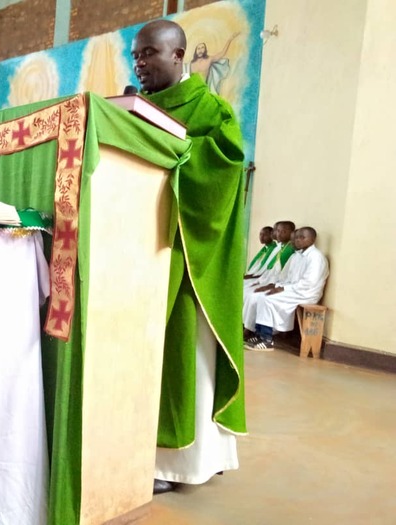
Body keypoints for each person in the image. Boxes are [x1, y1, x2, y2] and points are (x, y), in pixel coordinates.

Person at [131, 19, 246, 494]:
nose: (139, 63)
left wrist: (174, 152)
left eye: (149, 54)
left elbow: (228, 164)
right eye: (136, 56)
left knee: (184, 355)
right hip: (140, 251)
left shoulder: (209, 108)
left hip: (186, 254)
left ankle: (175, 462)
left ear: (178, 55)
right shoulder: (134, 110)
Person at [245, 227, 329, 351]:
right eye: (297, 237)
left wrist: (283, 288)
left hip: (306, 293)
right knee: (260, 296)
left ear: (312, 239)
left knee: (267, 299)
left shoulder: (316, 258)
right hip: (293, 290)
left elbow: (308, 283)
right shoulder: (297, 256)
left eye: (302, 237)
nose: (298, 240)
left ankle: (267, 339)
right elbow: (285, 277)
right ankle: (258, 334)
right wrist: (275, 285)